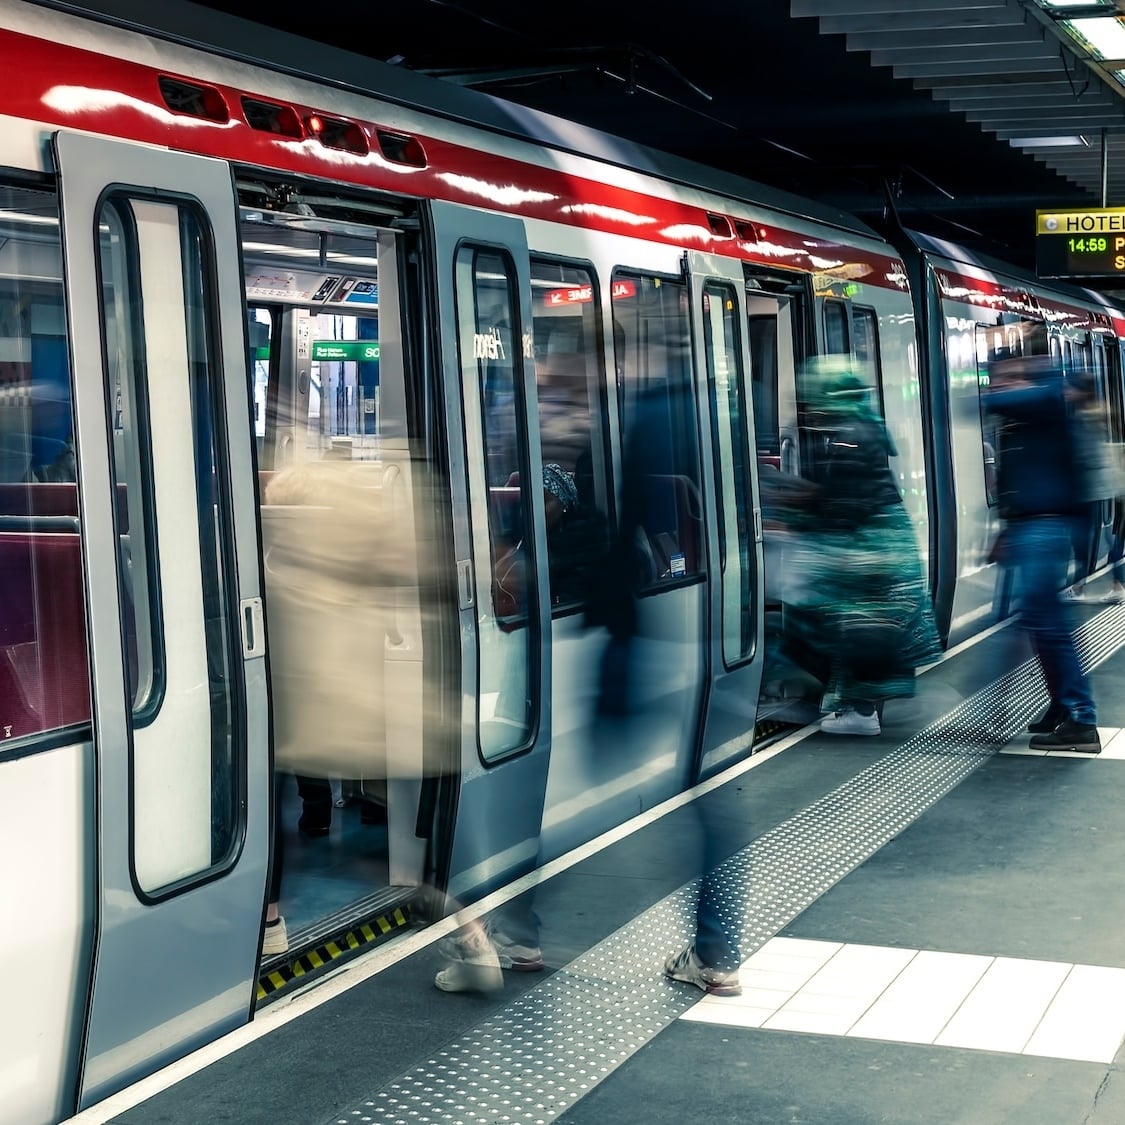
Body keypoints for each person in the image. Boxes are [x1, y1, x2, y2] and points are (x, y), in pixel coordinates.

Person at [783, 357, 941, 736]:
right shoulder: (864, 426)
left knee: (859, 628)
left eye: (816, 398)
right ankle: (859, 707)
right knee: (867, 628)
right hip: (881, 544)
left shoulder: (851, 434)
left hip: (870, 550)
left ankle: (862, 712)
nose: (812, 408)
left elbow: (847, 500)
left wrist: (804, 523)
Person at [985, 351, 1101, 752]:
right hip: (1032, 527)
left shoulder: (1049, 401)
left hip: (1048, 527)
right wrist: (1007, 526)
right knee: (1041, 624)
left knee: (1048, 624)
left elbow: (1027, 395)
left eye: (1006, 379)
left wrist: (985, 392)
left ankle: (1081, 717)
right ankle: (1062, 708)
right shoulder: (1026, 420)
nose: (998, 388)